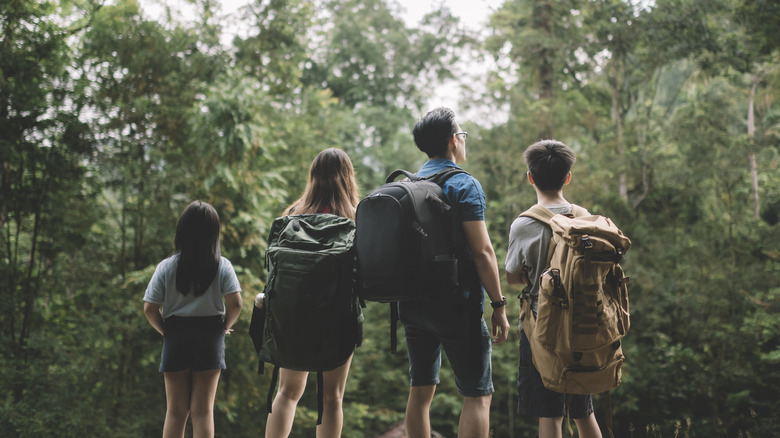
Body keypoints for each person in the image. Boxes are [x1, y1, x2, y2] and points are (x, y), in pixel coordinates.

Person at [399, 107, 510, 438]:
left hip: (413, 306)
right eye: (462, 134)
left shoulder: (407, 185)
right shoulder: (464, 184)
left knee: (420, 391)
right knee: (477, 394)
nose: (463, 140)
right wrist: (499, 305)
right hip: (457, 305)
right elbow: (483, 251)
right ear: (452, 141)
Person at [505, 139, 602, 438]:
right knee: (583, 412)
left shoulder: (523, 224)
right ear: (568, 177)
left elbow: (511, 277)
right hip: (582, 325)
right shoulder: (584, 217)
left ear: (530, 177)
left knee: (549, 414)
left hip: (541, 328)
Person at [264, 147, 361, 438]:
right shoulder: (356, 218)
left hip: (292, 316)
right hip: (337, 317)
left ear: (313, 176)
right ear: (348, 177)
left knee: (287, 392)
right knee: (332, 398)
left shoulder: (293, 216)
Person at [143, 200, 243, 438]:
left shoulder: (166, 267)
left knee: (176, 412)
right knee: (203, 411)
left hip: (176, 335)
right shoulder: (223, 266)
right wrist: (224, 327)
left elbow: (149, 308)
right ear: (213, 233)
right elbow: (236, 304)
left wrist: (167, 332)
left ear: (182, 231)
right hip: (210, 336)